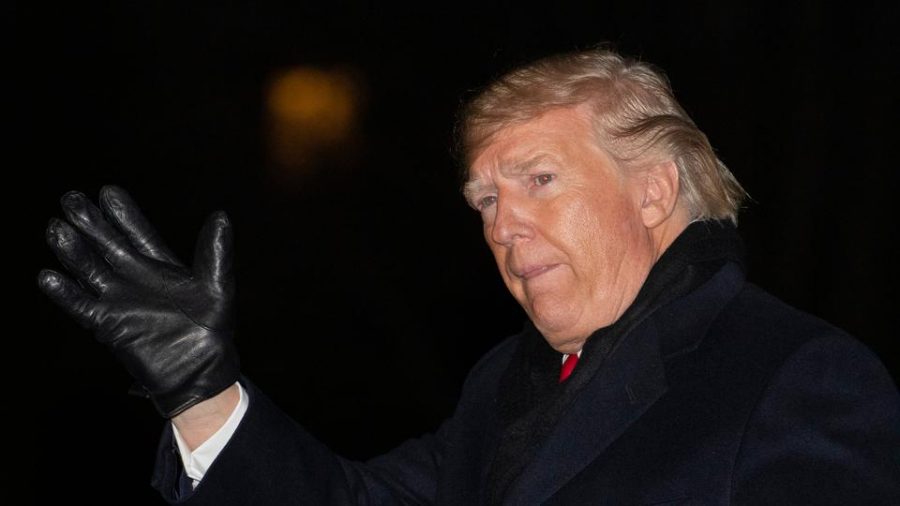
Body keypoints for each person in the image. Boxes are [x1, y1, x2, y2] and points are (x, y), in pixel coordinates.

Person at [38, 48, 900, 505]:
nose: (503, 223)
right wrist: (203, 392)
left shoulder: (795, 374)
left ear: (654, 191)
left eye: (539, 180)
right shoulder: (504, 387)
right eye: (484, 200)